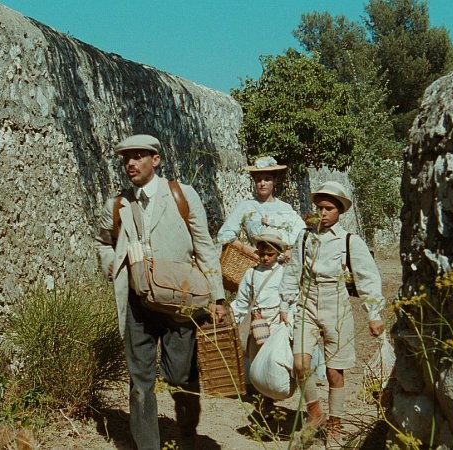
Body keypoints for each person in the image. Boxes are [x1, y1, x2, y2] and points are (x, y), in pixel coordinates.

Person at [95, 134, 227, 450]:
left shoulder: (182, 195)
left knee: (179, 375)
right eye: (126, 158)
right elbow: (102, 241)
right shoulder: (118, 205)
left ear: (155, 160)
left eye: (138, 156)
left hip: (179, 300)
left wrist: (218, 297)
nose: (131, 163)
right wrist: (111, 263)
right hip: (137, 303)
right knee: (141, 381)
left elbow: (204, 246)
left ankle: (187, 427)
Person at [278, 180, 386, 444]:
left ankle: (336, 425)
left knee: (334, 371)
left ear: (340, 211)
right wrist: (285, 304)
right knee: (300, 364)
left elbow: (367, 277)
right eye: (320, 208)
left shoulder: (350, 241)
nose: (323, 213)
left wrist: (373, 313)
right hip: (307, 302)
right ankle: (315, 413)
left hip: (336, 304)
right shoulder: (305, 237)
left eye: (329, 209)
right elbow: (293, 271)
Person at [229, 229, 290, 418]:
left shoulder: (284, 272)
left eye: (270, 254)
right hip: (257, 323)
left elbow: (289, 297)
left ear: (277, 253)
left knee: (273, 360)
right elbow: (242, 300)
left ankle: (275, 393)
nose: (265, 258)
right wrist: (237, 319)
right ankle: (264, 401)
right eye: (262, 254)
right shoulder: (251, 273)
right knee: (257, 362)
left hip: (277, 321)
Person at [217, 156, 306, 262]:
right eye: (258, 180)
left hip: (283, 264)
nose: (262, 184)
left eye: (267, 179)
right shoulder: (246, 206)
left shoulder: (285, 207)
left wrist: (290, 250)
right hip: (257, 261)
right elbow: (225, 234)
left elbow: (300, 233)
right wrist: (246, 249)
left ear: (275, 181)